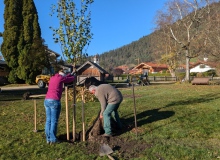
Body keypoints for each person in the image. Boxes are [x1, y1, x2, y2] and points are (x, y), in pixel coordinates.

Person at [44, 69, 75, 144]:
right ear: (63, 74)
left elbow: (66, 77)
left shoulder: (53, 77)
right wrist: (74, 75)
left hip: (46, 100)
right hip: (54, 101)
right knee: (54, 121)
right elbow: (69, 79)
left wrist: (70, 74)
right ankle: (53, 139)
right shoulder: (61, 78)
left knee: (48, 120)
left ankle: (48, 139)